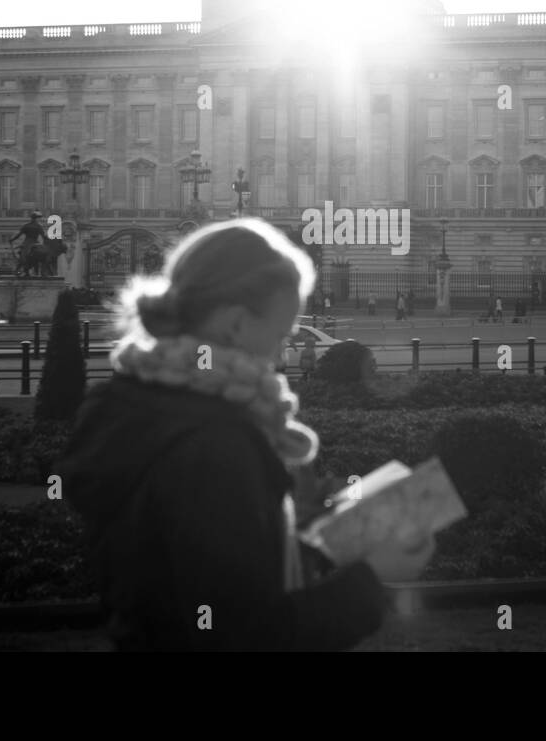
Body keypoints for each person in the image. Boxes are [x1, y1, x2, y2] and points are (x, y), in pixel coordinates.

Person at [56, 217, 434, 651]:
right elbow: (243, 634)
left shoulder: (140, 405)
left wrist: (323, 543)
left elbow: (213, 577)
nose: (284, 352)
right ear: (235, 324)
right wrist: (373, 581)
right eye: (280, 333)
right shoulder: (213, 444)